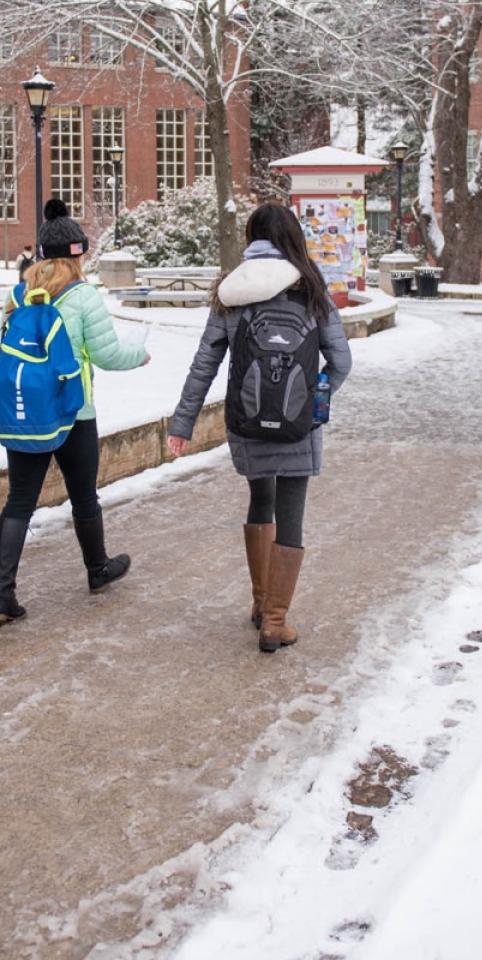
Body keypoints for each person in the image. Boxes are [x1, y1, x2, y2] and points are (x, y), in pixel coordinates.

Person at [166, 203, 351, 654]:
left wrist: (183, 423)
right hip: (298, 425)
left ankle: (259, 602)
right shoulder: (310, 287)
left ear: (252, 237)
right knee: (292, 512)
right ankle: (275, 620)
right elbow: (342, 362)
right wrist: (314, 396)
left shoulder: (231, 290)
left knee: (259, 498)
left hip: (247, 422)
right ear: (291, 237)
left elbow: (204, 364)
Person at [0, 199, 149, 625]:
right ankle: (97, 569)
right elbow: (108, 355)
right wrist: (141, 354)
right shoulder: (83, 297)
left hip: (27, 414)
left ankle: (1, 595)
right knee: (83, 496)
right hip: (74, 413)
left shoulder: (18, 294)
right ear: (78, 253)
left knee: (18, 501)